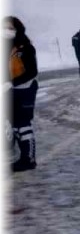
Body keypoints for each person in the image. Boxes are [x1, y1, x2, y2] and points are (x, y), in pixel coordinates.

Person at [4, 16, 38, 172]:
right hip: (11, 90)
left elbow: (32, 71)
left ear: (17, 28)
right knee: (13, 124)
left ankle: (29, 159)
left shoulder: (25, 47)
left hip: (26, 88)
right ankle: (19, 156)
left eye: (10, 28)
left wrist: (11, 83)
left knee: (23, 125)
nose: (6, 31)